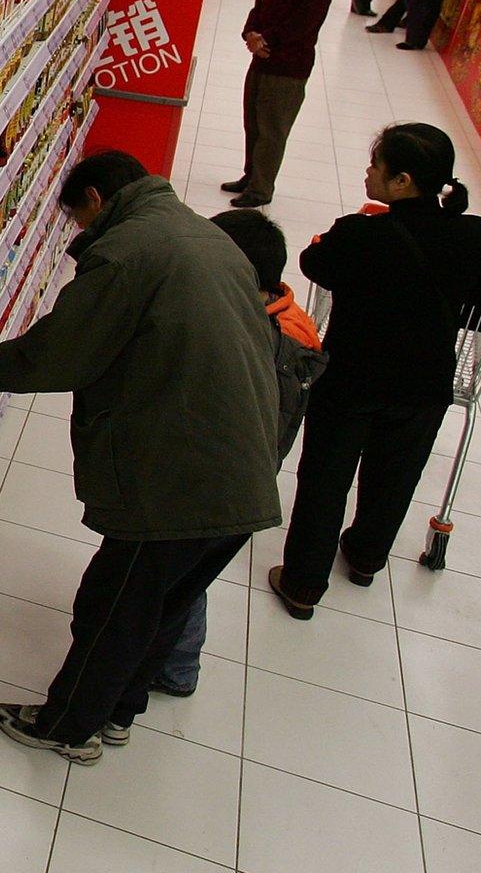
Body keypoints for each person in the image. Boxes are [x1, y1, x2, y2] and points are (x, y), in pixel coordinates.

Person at [0, 152, 282, 763]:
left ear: (98, 200)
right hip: (243, 467)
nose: (80, 232)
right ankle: (118, 715)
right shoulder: (202, 235)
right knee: (164, 607)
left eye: (78, 219)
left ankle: (67, 727)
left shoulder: (127, 252)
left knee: (114, 607)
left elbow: (67, 349)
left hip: (178, 479)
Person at [270, 124, 481, 618]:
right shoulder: (473, 236)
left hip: (350, 380)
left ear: (402, 181)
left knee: (326, 480)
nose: (368, 172)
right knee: (395, 477)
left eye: (377, 166)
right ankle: (367, 557)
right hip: (424, 386)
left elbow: (312, 263)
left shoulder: (359, 234)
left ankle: (304, 584)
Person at [153, 210, 324, 698]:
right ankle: (177, 665)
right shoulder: (290, 321)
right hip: (245, 473)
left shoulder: (258, 337)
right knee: (188, 574)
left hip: (220, 476)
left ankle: (174, 667)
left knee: (178, 576)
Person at [224, 0, 337, 208]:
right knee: (253, 122)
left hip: (287, 68)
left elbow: (301, 25)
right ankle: (250, 176)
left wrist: (265, 40)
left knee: (272, 129)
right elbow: (259, 6)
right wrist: (250, 33)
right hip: (261, 61)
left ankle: (261, 189)